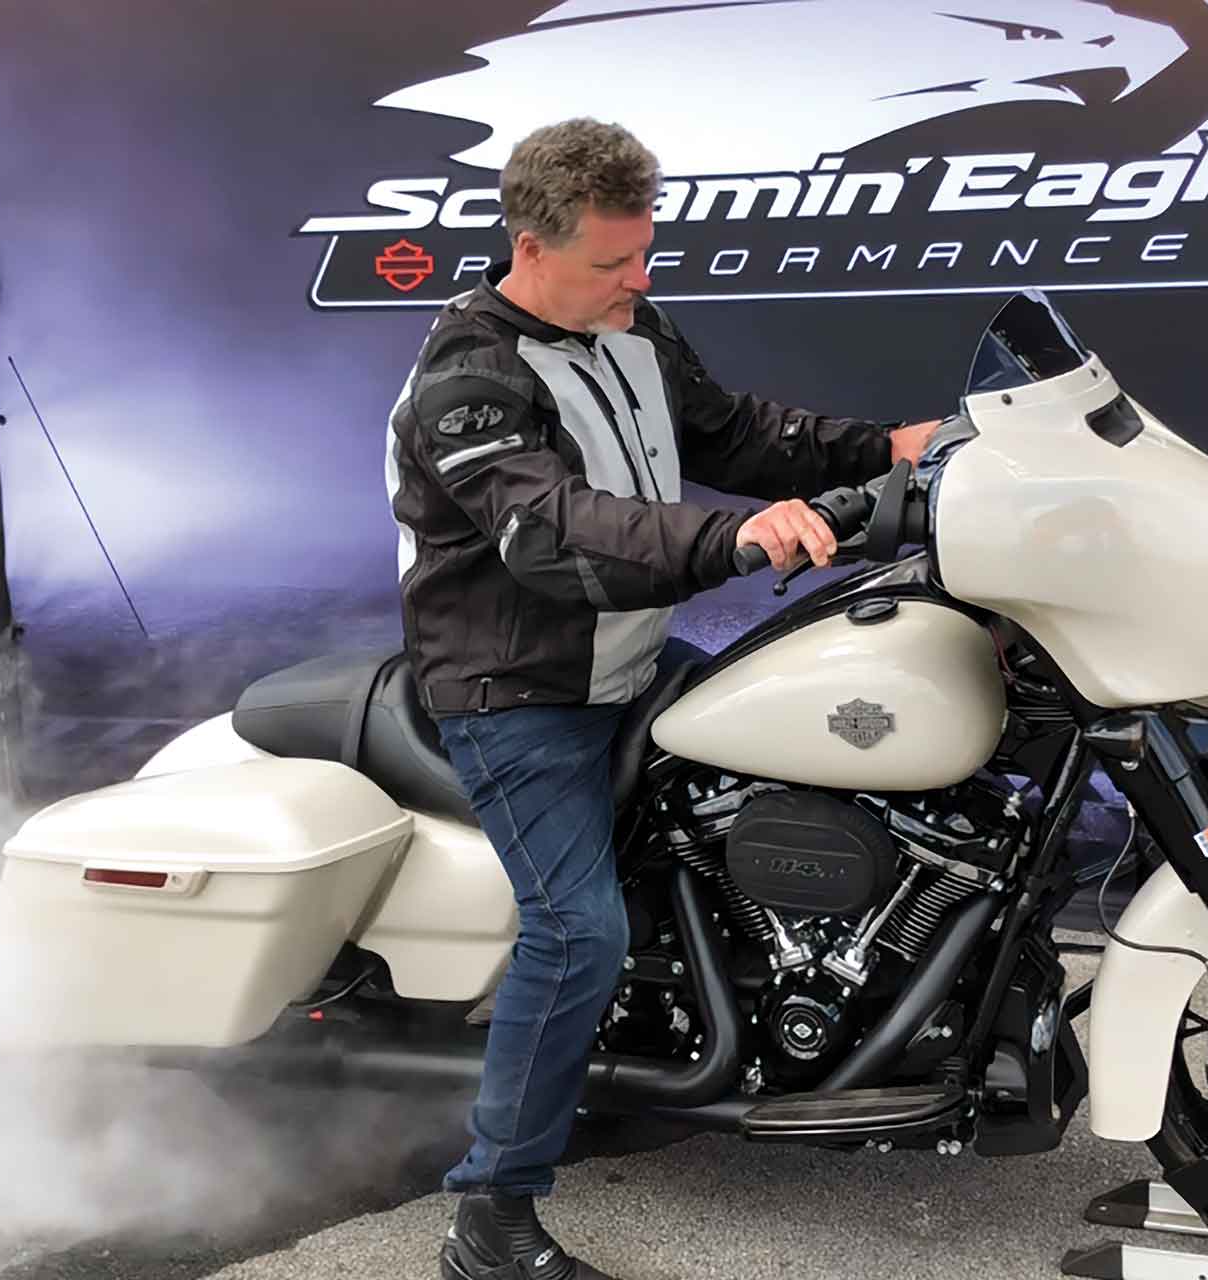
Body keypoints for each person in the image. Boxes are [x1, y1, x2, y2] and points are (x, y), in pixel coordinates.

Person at [386, 117, 938, 1280]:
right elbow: (556, 530)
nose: (640, 277)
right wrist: (732, 536)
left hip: (628, 659)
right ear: (531, 246)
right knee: (576, 927)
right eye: (613, 261)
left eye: (645, 253)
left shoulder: (628, 325)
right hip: (513, 689)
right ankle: (490, 1212)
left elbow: (735, 431)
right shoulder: (467, 378)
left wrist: (888, 449)